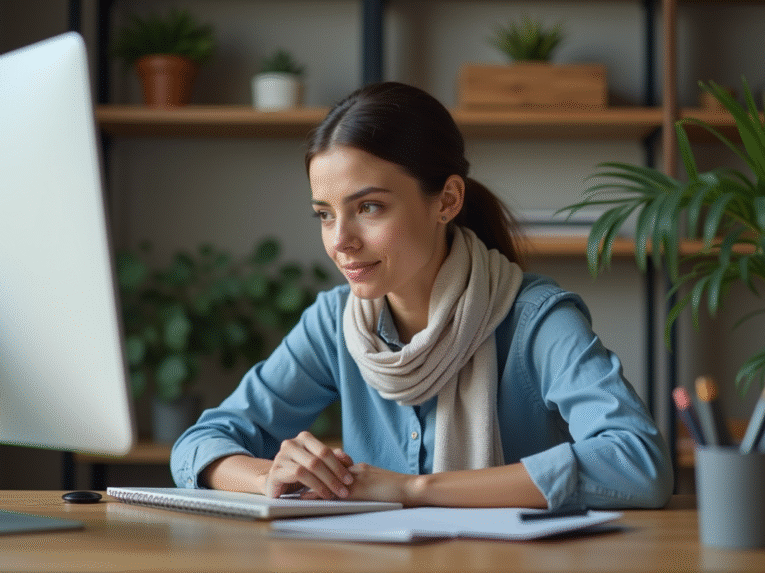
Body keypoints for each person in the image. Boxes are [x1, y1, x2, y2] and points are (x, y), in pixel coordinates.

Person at [171, 82, 673, 510]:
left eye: (368, 207)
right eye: (324, 214)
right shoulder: (335, 322)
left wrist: (413, 489)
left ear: (447, 200)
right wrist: (269, 478)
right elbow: (197, 445)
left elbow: (639, 462)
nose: (340, 240)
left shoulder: (536, 319)